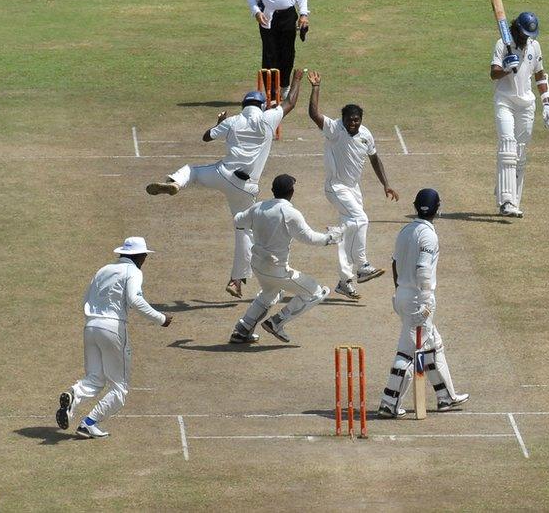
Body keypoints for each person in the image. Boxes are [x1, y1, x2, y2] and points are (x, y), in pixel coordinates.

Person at [145, 69, 304, 299]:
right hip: (245, 187)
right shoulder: (269, 119)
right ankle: (236, 280)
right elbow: (291, 101)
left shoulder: (233, 121)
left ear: (243, 105)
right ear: (260, 107)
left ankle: (176, 183)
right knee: (243, 230)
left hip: (221, 173)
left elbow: (206, 137)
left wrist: (220, 123)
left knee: (192, 171)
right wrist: (297, 79)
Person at [55, 237, 174, 438]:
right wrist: (161, 318)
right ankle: (88, 423)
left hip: (90, 326)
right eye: (144, 255)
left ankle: (73, 395)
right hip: (113, 328)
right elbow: (134, 299)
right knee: (120, 388)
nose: (145, 259)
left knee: (95, 378)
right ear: (139, 256)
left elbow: (86, 299)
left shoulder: (103, 270)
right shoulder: (134, 272)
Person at [306, 71, 399, 300]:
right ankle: (363, 265)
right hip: (335, 187)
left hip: (353, 188)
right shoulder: (334, 129)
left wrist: (386, 185)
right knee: (361, 219)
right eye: (349, 120)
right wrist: (316, 87)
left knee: (349, 230)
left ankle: (344, 280)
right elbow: (313, 114)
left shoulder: (366, 135)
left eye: (356, 120)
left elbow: (375, 159)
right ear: (343, 119)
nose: (353, 124)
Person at [378, 189, 469, 418]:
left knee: (433, 345)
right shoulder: (428, 236)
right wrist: (426, 301)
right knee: (408, 353)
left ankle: (446, 396)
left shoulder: (405, 230)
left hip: (404, 295)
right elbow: (423, 269)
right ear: (438, 208)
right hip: (419, 300)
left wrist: (399, 291)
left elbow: (395, 264)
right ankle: (389, 403)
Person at [229, 174, 340, 344]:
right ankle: (277, 322)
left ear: (273, 191)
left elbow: (238, 221)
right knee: (316, 291)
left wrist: (249, 205)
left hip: (258, 266)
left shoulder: (258, 207)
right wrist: (331, 237)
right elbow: (309, 238)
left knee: (269, 294)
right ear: (291, 192)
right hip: (276, 270)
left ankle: (242, 330)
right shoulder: (290, 213)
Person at [490, 11, 549, 218]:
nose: (526, 38)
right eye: (524, 34)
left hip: (526, 105)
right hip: (505, 100)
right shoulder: (502, 44)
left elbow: (540, 74)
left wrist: (547, 103)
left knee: (519, 153)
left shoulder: (534, 47)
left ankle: (512, 198)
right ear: (516, 29)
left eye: (529, 35)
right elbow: (493, 73)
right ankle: (505, 201)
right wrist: (507, 69)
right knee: (508, 145)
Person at [247, 0, 309, 97]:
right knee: (269, 54)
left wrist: (303, 13)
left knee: (288, 52)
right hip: (267, 16)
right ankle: (272, 91)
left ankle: (284, 86)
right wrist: (256, 12)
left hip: (288, 15)